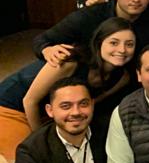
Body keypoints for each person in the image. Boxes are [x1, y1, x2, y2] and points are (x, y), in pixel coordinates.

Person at [1, 18, 136, 144]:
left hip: (48, 114)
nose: (122, 50)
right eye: (113, 43)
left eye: (129, 44)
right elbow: (29, 101)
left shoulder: (123, 78)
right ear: (99, 43)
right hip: (12, 107)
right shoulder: (70, 62)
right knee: (25, 155)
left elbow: (91, 104)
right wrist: (43, 140)